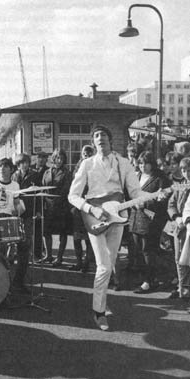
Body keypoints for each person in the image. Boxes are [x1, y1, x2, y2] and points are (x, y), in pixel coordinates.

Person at [69, 125, 153, 331]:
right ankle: (98, 312)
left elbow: (135, 191)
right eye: (96, 136)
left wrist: (151, 197)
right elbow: (72, 195)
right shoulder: (87, 164)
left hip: (118, 218)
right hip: (95, 217)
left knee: (109, 263)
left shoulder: (122, 162)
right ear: (93, 142)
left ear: (110, 139)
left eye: (103, 135)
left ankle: (102, 303)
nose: (100, 139)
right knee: (104, 266)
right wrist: (91, 209)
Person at [129, 151, 171, 294]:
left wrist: (145, 204)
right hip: (135, 218)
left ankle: (149, 281)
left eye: (145, 163)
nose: (142, 166)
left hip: (150, 220)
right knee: (137, 250)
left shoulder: (160, 179)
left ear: (151, 163)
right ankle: (143, 278)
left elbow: (163, 201)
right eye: (140, 163)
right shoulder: (137, 176)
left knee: (148, 251)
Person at [0, 158, 26, 292]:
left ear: (11, 169)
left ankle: (17, 282)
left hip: (8, 218)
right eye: (0, 166)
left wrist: (20, 209)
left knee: (24, 247)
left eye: (5, 166)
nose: (2, 169)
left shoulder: (15, 185)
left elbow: (17, 204)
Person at [12, 153, 40, 292]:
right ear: (18, 164)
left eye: (26, 162)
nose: (24, 165)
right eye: (21, 163)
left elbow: (39, 194)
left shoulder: (35, 175)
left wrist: (39, 211)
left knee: (25, 245)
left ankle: (20, 280)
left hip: (28, 213)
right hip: (15, 214)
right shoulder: (14, 176)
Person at [40, 149, 72, 267]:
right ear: (53, 158)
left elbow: (66, 190)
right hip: (48, 206)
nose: (59, 161)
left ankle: (59, 257)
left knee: (62, 233)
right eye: (57, 158)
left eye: (62, 159)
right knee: (46, 232)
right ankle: (49, 255)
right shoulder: (47, 172)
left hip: (61, 206)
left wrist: (55, 201)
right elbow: (43, 187)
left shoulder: (67, 173)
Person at [166, 157, 190, 299]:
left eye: (188, 170)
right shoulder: (181, 186)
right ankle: (182, 288)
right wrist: (176, 217)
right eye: (183, 170)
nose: (186, 173)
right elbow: (171, 204)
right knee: (179, 259)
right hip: (180, 227)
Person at [70, 145, 95, 272]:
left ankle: (87, 262)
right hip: (78, 207)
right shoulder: (77, 168)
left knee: (89, 238)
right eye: (84, 153)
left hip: (90, 206)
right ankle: (79, 261)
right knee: (76, 237)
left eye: (89, 153)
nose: (86, 155)